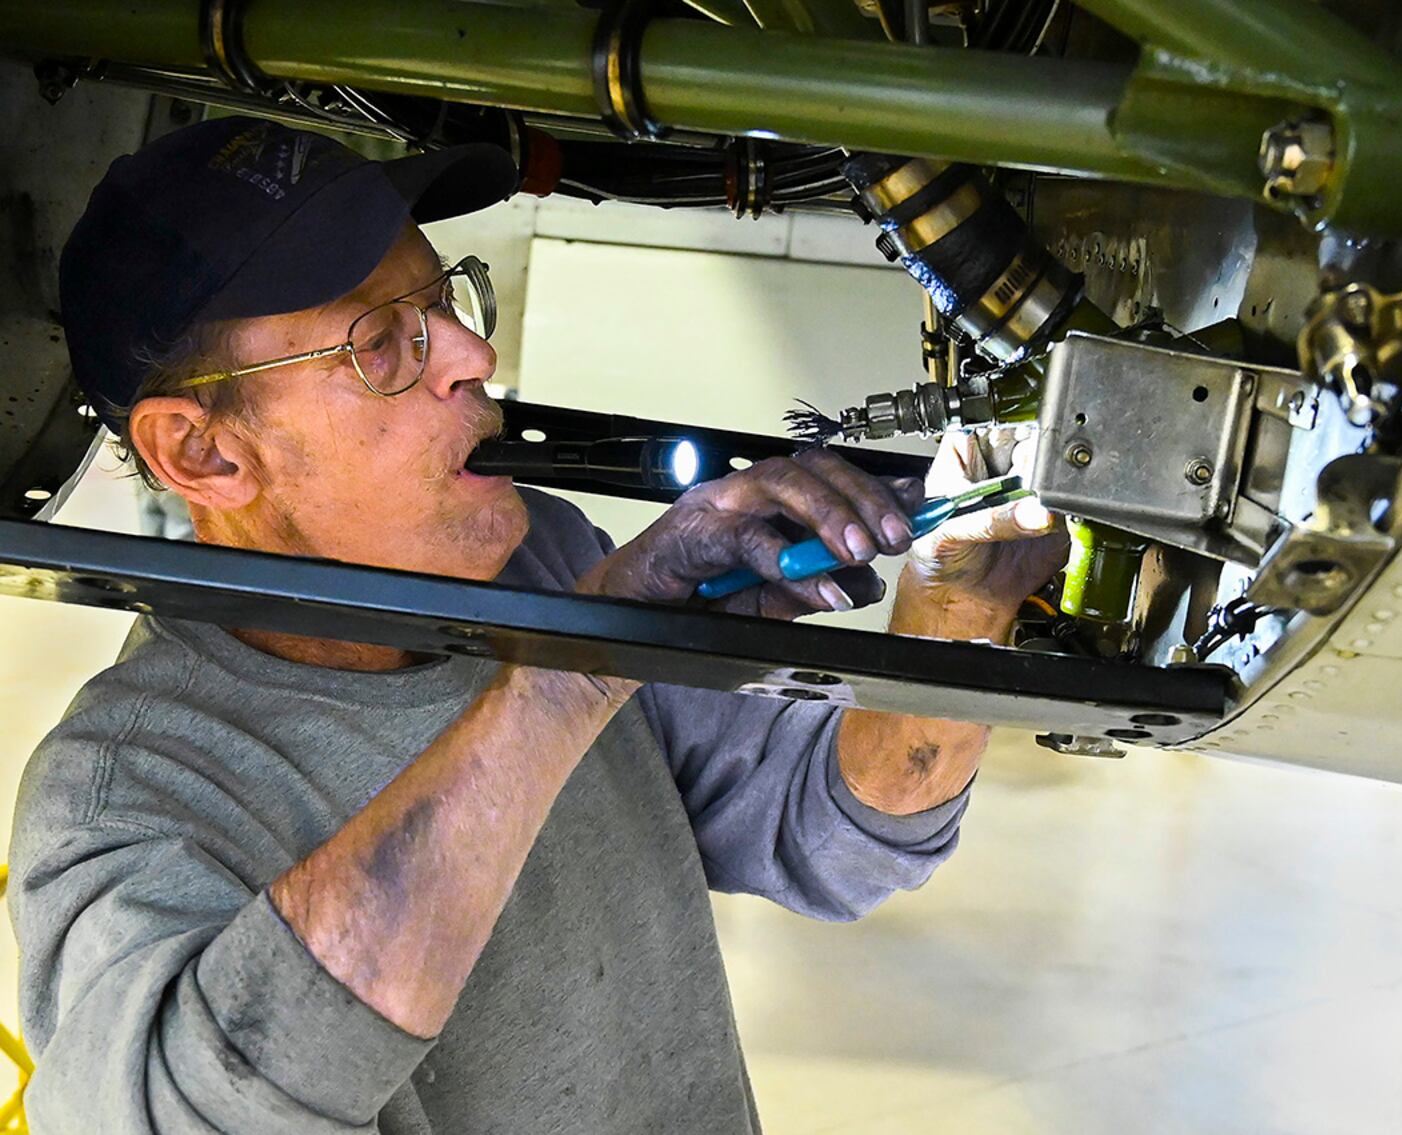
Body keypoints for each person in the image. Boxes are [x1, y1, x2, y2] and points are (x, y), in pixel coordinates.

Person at [7, 117, 1067, 1133]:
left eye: (447, 300)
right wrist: (574, 667)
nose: (471, 351)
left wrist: (953, 619)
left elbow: (826, 836)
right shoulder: (130, 793)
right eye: (383, 341)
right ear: (202, 455)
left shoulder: (542, 557)